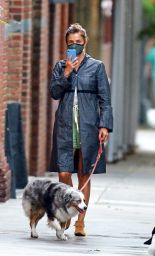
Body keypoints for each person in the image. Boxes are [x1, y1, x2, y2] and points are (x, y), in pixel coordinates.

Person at [49, 23, 113, 236]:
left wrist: (105, 124)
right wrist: (67, 71)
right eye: (70, 43)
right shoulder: (60, 66)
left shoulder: (97, 66)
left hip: (87, 126)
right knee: (64, 172)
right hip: (66, 126)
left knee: (84, 173)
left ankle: (80, 223)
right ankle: (67, 212)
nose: (74, 46)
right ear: (66, 44)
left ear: (85, 42)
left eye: (78, 42)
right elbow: (55, 93)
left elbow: (105, 99)